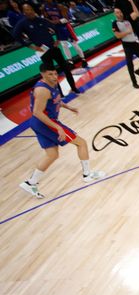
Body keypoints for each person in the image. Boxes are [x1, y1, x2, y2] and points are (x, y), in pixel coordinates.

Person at [19, 63, 104, 199]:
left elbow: (54, 100)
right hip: (46, 123)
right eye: (50, 74)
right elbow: (37, 112)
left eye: (55, 73)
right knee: (81, 143)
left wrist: (67, 107)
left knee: (52, 155)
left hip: (40, 124)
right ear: (43, 74)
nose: (54, 77)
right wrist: (58, 127)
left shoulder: (50, 85)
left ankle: (30, 182)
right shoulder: (42, 90)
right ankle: (87, 175)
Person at [12, 4, 80, 95]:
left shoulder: (41, 20)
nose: (29, 11)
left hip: (53, 48)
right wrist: (31, 46)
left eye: (30, 9)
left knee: (66, 68)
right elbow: (16, 36)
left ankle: (74, 88)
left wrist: (58, 39)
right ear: (24, 12)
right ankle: (59, 93)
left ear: (33, 10)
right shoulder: (22, 23)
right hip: (43, 51)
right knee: (51, 74)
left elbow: (56, 28)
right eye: (26, 10)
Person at [41, 0, 86, 67]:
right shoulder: (44, 8)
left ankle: (83, 59)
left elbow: (66, 19)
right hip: (58, 29)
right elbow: (46, 18)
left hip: (66, 27)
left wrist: (53, 22)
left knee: (74, 44)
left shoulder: (60, 6)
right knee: (64, 45)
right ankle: (70, 62)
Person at [112, 7, 139, 89]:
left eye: (120, 12)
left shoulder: (127, 19)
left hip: (135, 44)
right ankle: (134, 82)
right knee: (130, 65)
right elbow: (118, 35)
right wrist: (127, 32)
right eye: (117, 12)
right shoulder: (115, 23)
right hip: (127, 46)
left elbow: (137, 13)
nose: (119, 13)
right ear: (114, 14)